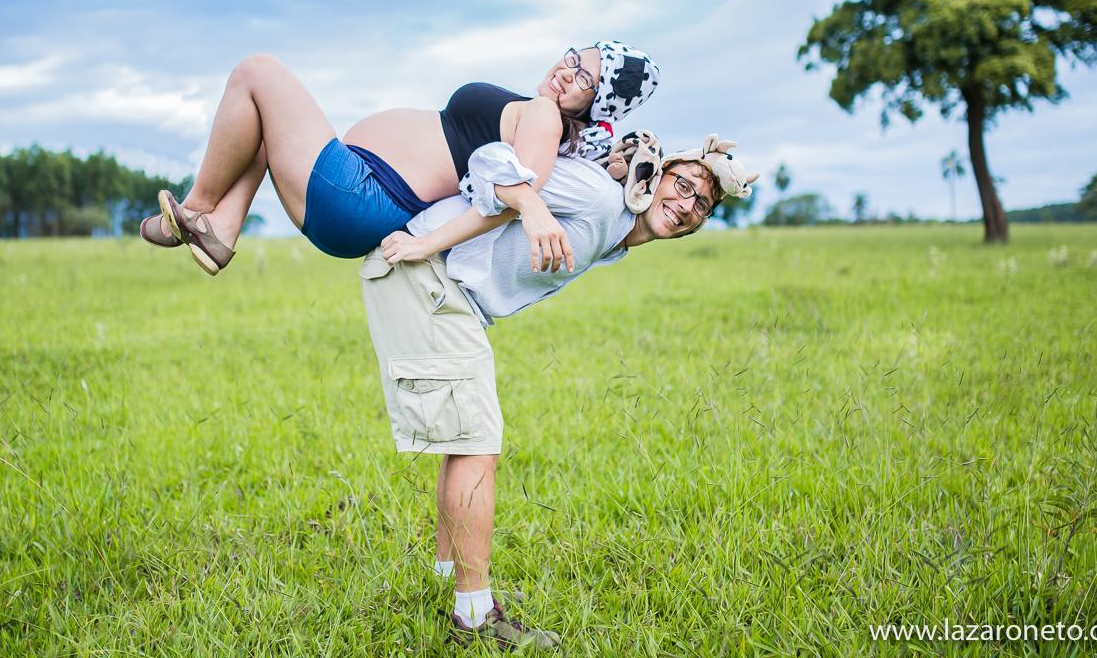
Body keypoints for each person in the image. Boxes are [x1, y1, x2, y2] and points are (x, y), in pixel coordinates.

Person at [359, 134, 757, 650]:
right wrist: (516, 206)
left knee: (467, 440)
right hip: (424, 271)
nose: (686, 206)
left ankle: (445, 582)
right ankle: (474, 616)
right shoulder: (597, 197)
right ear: (656, 175)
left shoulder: (614, 232)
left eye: (702, 204)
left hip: (448, 288)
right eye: (683, 186)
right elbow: (492, 161)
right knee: (478, 442)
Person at [139, 43, 660, 275]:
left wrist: (426, 244)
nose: (569, 72)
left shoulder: (544, 115)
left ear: (596, 104)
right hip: (357, 189)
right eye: (575, 58)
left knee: (257, 72)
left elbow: (512, 195)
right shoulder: (537, 111)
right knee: (256, 122)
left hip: (365, 193)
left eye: (587, 79)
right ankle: (221, 231)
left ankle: (197, 208)